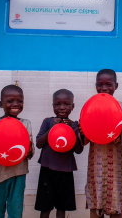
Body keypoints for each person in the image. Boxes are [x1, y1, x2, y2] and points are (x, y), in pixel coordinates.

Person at [0, 85, 34, 218]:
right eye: (10, 101)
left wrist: (30, 151)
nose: (15, 104)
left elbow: (30, 147)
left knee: (16, 207)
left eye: (19, 101)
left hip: (19, 173)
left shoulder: (26, 124)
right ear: (1, 104)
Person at [80, 69, 122, 218]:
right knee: (96, 199)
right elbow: (84, 138)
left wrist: (121, 129)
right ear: (95, 86)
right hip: (96, 162)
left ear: (116, 85)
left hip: (115, 161)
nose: (104, 88)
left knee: (116, 200)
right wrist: (82, 131)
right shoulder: (90, 106)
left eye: (109, 84)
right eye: (100, 84)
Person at [34, 89, 84, 218]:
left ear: (72, 106)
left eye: (66, 104)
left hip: (65, 171)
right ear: (53, 106)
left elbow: (79, 150)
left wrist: (75, 130)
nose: (62, 107)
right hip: (47, 169)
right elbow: (39, 143)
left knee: (62, 206)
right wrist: (52, 129)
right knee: (45, 206)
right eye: (57, 104)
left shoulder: (75, 125)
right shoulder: (47, 122)